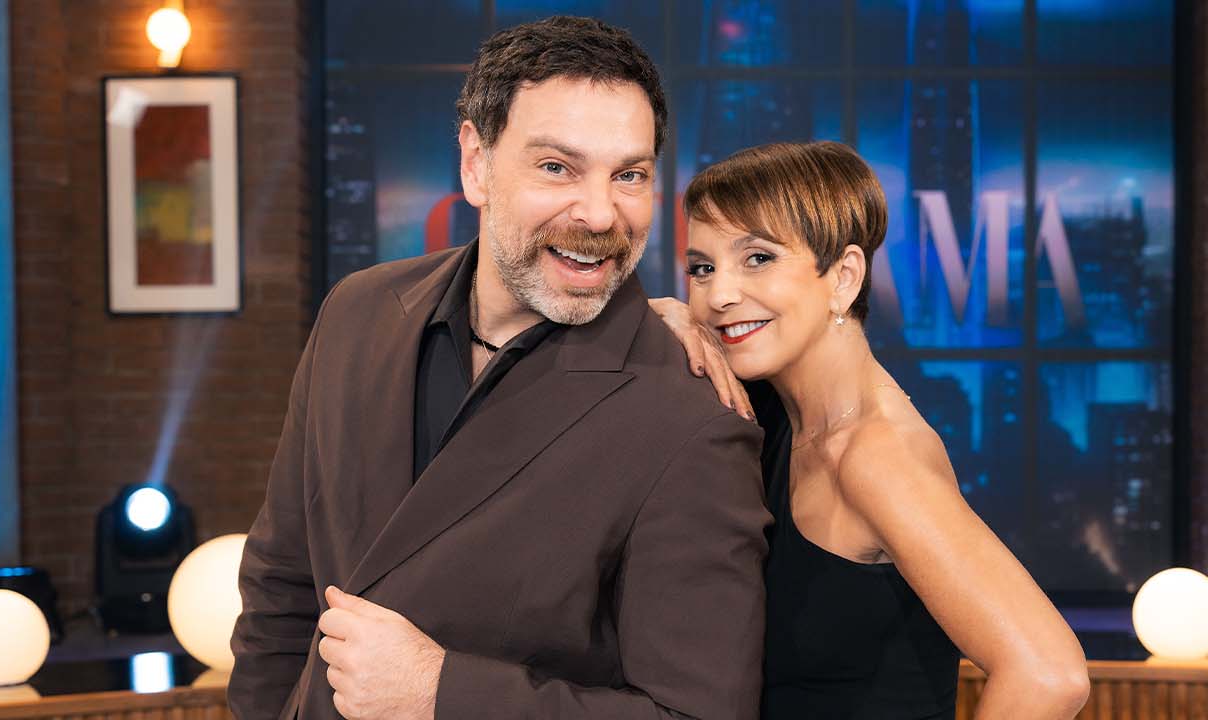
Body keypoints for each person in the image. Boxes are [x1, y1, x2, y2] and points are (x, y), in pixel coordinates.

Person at [228, 17, 770, 720]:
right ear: (475, 164)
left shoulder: (691, 419)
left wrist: (439, 692)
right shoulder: (356, 312)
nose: (599, 213)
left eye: (629, 175)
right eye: (557, 168)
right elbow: (280, 587)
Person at [652, 141, 1091, 719]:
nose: (719, 295)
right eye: (702, 269)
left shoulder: (875, 455)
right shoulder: (777, 411)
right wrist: (666, 315)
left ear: (844, 277)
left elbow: (1049, 676)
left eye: (757, 258)